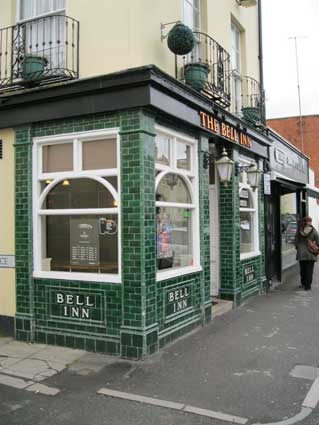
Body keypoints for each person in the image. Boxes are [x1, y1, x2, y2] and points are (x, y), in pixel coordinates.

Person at [294, 216, 319, 291]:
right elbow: (318, 241)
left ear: (304, 222)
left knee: (303, 269)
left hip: (301, 253)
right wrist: (315, 246)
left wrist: (298, 247)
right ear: (310, 222)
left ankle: (303, 283)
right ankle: (308, 286)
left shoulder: (300, 230)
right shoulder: (314, 231)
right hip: (311, 254)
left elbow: (296, 241)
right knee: (309, 270)